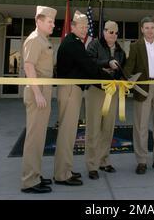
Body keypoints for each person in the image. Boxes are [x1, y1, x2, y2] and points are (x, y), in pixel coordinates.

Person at [54, 10, 113, 186]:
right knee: (67, 133)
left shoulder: (74, 42)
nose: (84, 30)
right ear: (72, 26)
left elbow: (85, 67)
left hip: (73, 90)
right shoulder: (73, 44)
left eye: (86, 27)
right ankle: (62, 175)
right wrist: (110, 79)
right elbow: (88, 67)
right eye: (81, 26)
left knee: (69, 133)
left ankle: (65, 169)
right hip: (71, 91)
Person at [124, 16, 154, 175]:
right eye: (146, 28)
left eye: (152, 27)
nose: (150, 30)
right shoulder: (135, 46)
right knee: (141, 127)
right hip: (142, 89)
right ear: (142, 29)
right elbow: (129, 67)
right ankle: (142, 161)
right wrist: (123, 80)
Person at [21, 5, 57, 194]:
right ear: (39, 21)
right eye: (50, 22)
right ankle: (29, 181)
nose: (53, 25)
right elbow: (29, 67)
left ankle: (35, 174)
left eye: (52, 21)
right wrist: (37, 93)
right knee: (34, 138)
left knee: (40, 138)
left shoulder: (44, 39)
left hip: (43, 93)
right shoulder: (35, 40)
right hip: (38, 94)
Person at [86, 20, 126, 180]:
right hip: (96, 91)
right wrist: (106, 63)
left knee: (108, 129)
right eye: (111, 32)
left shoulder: (120, 50)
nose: (114, 35)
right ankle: (92, 165)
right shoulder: (94, 45)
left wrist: (125, 78)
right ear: (104, 31)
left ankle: (104, 161)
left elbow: (123, 68)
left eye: (116, 33)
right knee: (94, 129)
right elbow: (88, 63)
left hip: (113, 92)